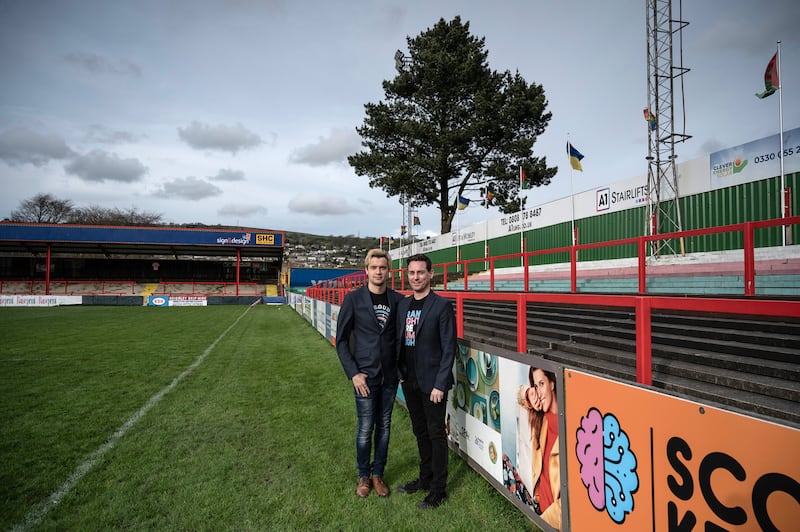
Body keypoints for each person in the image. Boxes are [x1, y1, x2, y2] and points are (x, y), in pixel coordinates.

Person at [336, 248, 403, 498]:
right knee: (365, 428)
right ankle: (363, 475)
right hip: (364, 377)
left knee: (384, 427)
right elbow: (341, 340)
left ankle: (378, 474)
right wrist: (353, 373)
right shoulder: (353, 300)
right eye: (373, 267)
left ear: (388, 270)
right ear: (366, 270)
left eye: (382, 267)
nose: (378, 271)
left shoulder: (397, 301)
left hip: (389, 377)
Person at [394, 253, 456, 510]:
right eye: (411, 273)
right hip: (409, 380)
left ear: (431, 274)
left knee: (436, 435)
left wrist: (440, 385)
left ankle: (438, 489)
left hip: (433, 384)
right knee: (420, 432)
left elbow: (448, 347)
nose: (416, 277)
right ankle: (425, 478)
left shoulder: (440, 306)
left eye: (421, 272)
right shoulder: (403, 305)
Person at [511, 367, 561, 529]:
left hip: (551, 517)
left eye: (542, 384)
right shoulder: (541, 416)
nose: (539, 392)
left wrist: (538, 524)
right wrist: (528, 394)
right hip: (537, 503)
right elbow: (517, 394)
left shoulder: (568, 425)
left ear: (552, 383)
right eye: (536, 385)